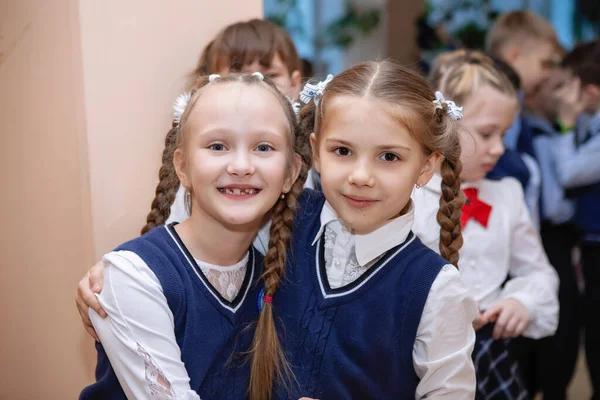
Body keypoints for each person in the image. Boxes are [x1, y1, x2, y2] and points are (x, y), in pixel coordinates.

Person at [78, 61, 478, 399]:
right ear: (315, 153)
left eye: (389, 157)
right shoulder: (282, 227)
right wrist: (115, 273)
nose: (361, 176)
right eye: (343, 151)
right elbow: (196, 237)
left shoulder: (436, 289)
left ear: (427, 167)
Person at [79, 72, 304, 399]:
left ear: (291, 173)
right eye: (218, 146)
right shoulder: (135, 278)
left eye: (263, 147)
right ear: (182, 167)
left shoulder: (275, 275)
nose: (241, 165)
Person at [425, 50, 559, 399]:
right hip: (420, 359)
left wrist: (522, 302)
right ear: (445, 125)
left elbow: (540, 274)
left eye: (504, 134)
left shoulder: (507, 196)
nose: (499, 148)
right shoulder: (408, 197)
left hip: (490, 357)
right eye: (486, 134)